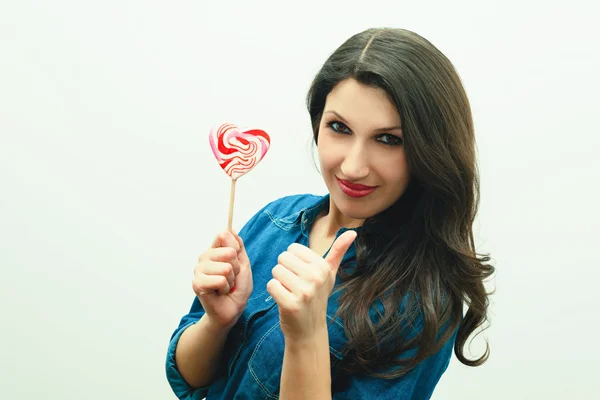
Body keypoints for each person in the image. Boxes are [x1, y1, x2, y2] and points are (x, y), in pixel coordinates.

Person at [165, 27, 494, 399]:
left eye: (388, 139)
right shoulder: (275, 218)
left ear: (429, 150)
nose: (353, 167)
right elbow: (189, 379)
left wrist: (306, 336)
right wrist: (217, 322)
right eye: (339, 128)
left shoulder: (420, 302)